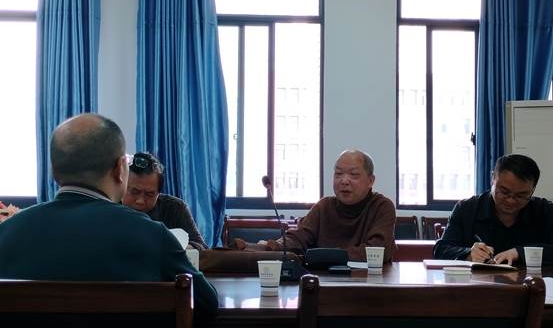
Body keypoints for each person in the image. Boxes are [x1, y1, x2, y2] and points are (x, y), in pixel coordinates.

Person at [0, 113, 218, 318]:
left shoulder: (7, 232)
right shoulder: (152, 234)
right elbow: (207, 302)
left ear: (53, 171)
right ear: (120, 168)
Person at [248, 149, 396, 261]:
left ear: (370, 181)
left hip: (369, 281)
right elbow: (299, 237)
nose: (344, 181)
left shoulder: (382, 207)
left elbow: (377, 251)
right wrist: (277, 245)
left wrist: (327, 256)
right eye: (338, 174)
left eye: (354, 175)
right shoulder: (324, 207)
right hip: (324, 280)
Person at [434, 153, 553, 265]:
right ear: (493, 179)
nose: (511, 200)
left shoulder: (545, 211)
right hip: (478, 279)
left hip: (532, 280)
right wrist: (468, 253)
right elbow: (441, 250)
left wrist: (520, 253)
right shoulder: (467, 209)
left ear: (533, 189)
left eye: (521, 196)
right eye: (504, 192)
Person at [123, 152, 208, 250]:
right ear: (121, 186)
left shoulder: (175, 208)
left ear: (158, 193)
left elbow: (201, 247)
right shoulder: (110, 209)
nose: (140, 201)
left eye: (149, 194)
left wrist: (171, 248)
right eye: (135, 192)